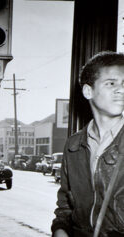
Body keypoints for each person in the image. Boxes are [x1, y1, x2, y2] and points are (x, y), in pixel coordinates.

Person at [52, 51, 124, 237]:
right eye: (111, 83)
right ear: (88, 91)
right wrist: (60, 230)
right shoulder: (73, 145)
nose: (121, 90)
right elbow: (65, 205)